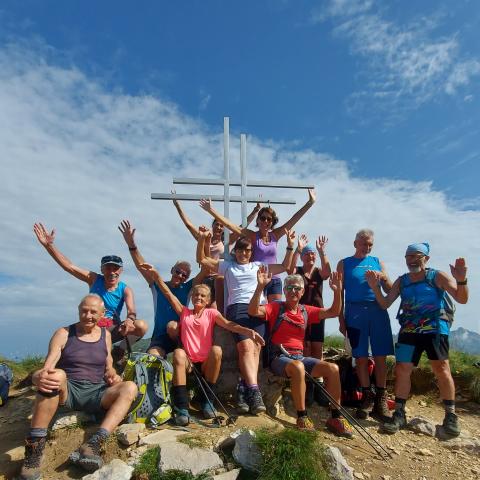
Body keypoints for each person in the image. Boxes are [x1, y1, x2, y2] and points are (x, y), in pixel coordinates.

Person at [17, 294, 138, 479]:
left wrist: (113, 376)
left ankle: (94, 443)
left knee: (130, 387)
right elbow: (48, 367)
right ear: (78, 310)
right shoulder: (64, 333)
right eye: (84, 311)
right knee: (56, 375)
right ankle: (34, 452)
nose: (88, 316)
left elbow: (109, 367)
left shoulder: (105, 335)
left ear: (102, 314)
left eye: (93, 312)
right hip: (69, 391)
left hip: (96, 393)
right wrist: (36, 377)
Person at [138, 263, 264, 426]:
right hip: (188, 362)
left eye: (203, 296)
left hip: (205, 363)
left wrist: (248, 331)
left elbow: (228, 324)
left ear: (208, 300)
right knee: (178, 353)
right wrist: (156, 276)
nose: (199, 297)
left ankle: (207, 401)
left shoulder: (212, 313)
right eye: (196, 294)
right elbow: (168, 294)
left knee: (216, 350)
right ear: (192, 297)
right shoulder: (184, 312)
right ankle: (182, 406)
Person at [366, 243, 469, 436]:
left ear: (426, 258)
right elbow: (385, 303)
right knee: (402, 369)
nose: (412, 260)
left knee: (441, 368)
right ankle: (399, 414)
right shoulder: (402, 281)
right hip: (409, 330)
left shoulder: (437, 276)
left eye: (416, 256)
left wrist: (461, 281)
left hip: (436, 330)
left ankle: (450, 415)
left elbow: (462, 299)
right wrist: (375, 287)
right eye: (408, 257)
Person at [197, 227, 295, 414]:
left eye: (247, 250)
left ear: (252, 252)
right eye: (240, 249)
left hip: (259, 308)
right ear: (236, 252)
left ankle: (244, 387)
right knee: (245, 347)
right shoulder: (228, 266)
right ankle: (254, 390)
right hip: (238, 308)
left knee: (256, 348)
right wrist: (202, 239)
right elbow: (202, 259)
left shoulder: (258, 265)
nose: (244, 253)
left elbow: (284, 267)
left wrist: (290, 246)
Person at [248, 266, 353, 437]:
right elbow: (252, 311)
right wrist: (260, 287)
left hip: (299, 357)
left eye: (297, 288)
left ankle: (336, 417)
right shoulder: (276, 307)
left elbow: (334, 312)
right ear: (284, 290)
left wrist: (338, 291)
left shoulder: (305, 311)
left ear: (302, 292)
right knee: (298, 367)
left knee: (332, 369)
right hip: (278, 356)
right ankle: (302, 416)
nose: (293, 291)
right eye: (289, 288)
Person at [33, 223, 148, 351]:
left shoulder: (125, 289)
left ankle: (120, 351)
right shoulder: (94, 279)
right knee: (62, 335)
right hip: (90, 323)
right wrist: (50, 246)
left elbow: (131, 311)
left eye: (115, 268)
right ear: (101, 269)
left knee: (141, 326)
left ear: (121, 270)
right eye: (108, 268)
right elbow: (69, 266)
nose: (112, 272)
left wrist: (129, 320)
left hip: (112, 327)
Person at [199, 189, 316, 301]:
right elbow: (231, 226)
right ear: (258, 220)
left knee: (274, 313)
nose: (266, 221)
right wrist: (211, 210)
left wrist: (309, 203)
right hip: (256, 278)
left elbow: (293, 219)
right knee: (258, 310)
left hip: (274, 278)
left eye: (269, 219)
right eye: (263, 218)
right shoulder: (253, 236)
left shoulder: (275, 235)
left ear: (272, 222)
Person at [118, 220, 204, 358]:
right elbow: (142, 266)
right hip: (160, 336)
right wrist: (132, 245)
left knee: (173, 326)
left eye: (184, 275)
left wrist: (203, 241)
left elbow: (205, 269)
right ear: (172, 270)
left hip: (179, 334)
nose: (180, 275)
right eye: (178, 271)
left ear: (187, 278)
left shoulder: (188, 288)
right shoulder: (157, 285)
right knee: (153, 357)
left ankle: (184, 349)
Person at [337, 228, 393, 420]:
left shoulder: (378, 262)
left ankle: (381, 398)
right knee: (360, 357)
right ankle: (367, 397)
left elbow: (391, 289)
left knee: (380, 356)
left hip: (377, 311)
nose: (367, 247)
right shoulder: (344, 264)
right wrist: (341, 319)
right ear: (355, 243)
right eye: (363, 243)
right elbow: (339, 295)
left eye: (370, 244)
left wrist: (383, 276)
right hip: (354, 312)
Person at [172, 197, 260, 309]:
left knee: (217, 308)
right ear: (212, 226)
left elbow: (242, 227)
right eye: (216, 225)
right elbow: (188, 225)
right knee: (204, 308)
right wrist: (177, 205)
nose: (219, 227)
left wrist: (255, 211)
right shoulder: (203, 238)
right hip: (205, 277)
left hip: (219, 278)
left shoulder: (226, 241)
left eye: (221, 226)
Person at [287, 234, 331, 360]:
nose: (310, 256)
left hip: (317, 313)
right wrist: (298, 249)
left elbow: (327, 273)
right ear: (302, 257)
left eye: (312, 254)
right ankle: (306, 376)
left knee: (317, 347)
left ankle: (318, 378)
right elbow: (290, 270)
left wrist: (322, 252)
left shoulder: (319, 271)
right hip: (301, 313)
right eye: (306, 254)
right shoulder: (298, 271)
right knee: (305, 347)